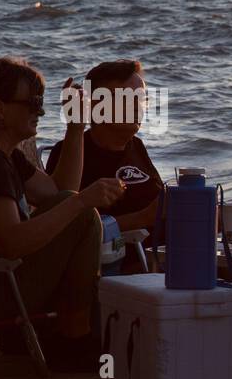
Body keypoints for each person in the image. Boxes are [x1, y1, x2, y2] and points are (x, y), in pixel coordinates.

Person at [0, 58, 125, 369]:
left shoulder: (2, 155)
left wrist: (75, 126)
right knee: (82, 214)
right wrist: (83, 202)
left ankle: (44, 335)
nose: (40, 111)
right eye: (31, 103)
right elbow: (12, 243)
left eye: (41, 102)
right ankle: (74, 340)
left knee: (75, 210)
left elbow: (59, 192)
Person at [45, 59, 163, 271]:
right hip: (126, 267)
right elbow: (66, 229)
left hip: (167, 255)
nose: (138, 106)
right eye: (127, 99)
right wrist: (142, 218)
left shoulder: (136, 146)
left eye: (141, 98)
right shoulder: (72, 154)